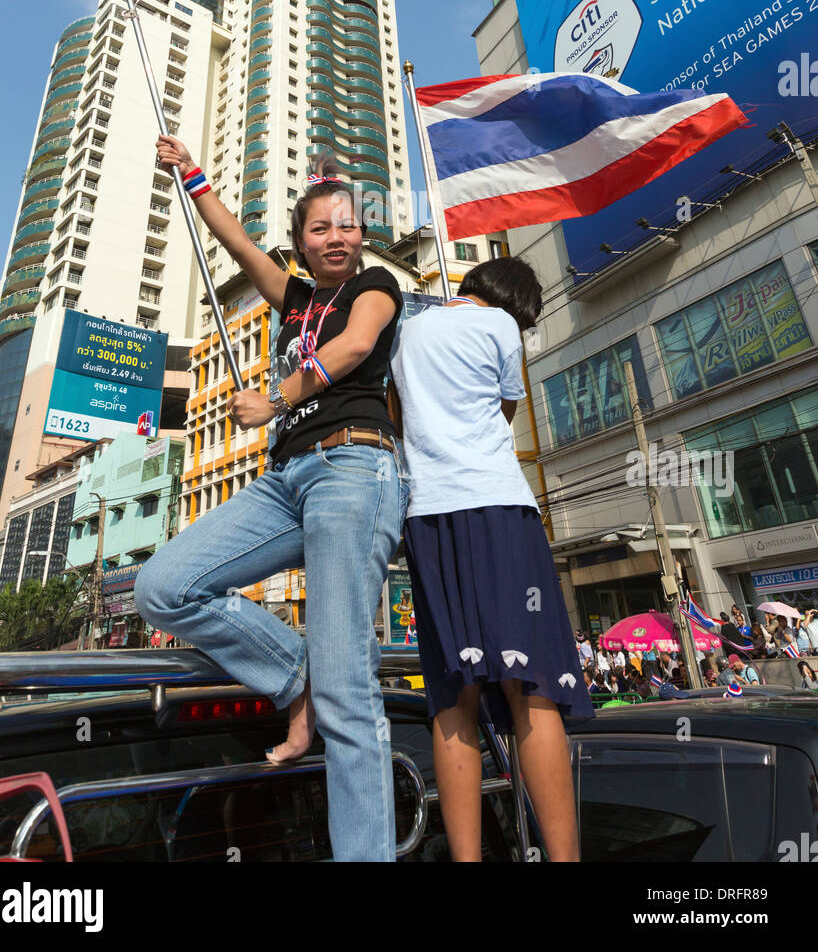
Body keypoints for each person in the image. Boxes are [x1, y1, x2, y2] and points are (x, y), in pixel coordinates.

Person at [134, 139, 405, 862]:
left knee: (351, 693)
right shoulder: (293, 299)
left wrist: (278, 397)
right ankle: (293, 675)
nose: (336, 237)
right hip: (286, 481)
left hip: (354, 466)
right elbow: (234, 239)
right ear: (302, 243)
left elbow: (352, 350)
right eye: (320, 228)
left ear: (360, 234)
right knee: (163, 586)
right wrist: (190, 172)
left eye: (346, 224)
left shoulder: (375, 285)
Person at [388, 255, 593, 863]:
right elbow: (503, 415)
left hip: (427, 516)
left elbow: (398, 418)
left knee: (454, 698)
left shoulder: (404, 327)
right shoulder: (502, 326)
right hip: (499, 510)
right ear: (517, 305)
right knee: (532, 688)